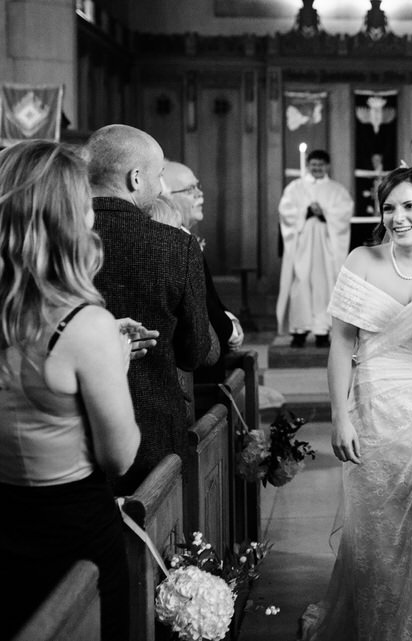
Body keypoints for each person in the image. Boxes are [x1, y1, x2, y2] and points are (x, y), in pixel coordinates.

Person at [300, 167, 412, 640]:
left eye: (410, 206)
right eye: (390, 207)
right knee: (375, 538)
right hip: (373, 413)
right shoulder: (361, 259)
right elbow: (340, 343)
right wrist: (340, 414)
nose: (398, 217)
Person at [0, 140, 141, 641]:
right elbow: (119, 456)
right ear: (67, 216)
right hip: (71, 528)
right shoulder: (85, 327)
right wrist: (114, 362)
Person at [86, 124, 213, 495]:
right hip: (151, 427)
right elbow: (193, 352)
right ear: (136, 178)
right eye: (159, 176)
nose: (161, 188)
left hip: (72, 431)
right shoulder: (175, 246)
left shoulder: (54, 238)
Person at [164, 160, 244, 382]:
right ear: (165, 195)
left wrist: (228, 318)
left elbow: (208, 297)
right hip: (197, 369)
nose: (200, 194)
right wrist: (230, 329)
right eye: (190, 189)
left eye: (197, 186)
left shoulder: (185, 238)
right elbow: (198, 308)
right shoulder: (175, 243)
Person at [276, 149, 354, 348]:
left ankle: (322, 330)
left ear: (327, 166)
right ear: (308, 165)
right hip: (302, 245)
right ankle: (299, 330)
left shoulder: (336, 189)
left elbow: (345, 212)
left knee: (325, 284)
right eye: (314, 164)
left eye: (321, 164)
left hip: (327, 246)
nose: (317, 168)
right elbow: (285, 210)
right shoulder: (296, 187)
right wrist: (306, 210)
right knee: (300, 282)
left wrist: (325, 212)